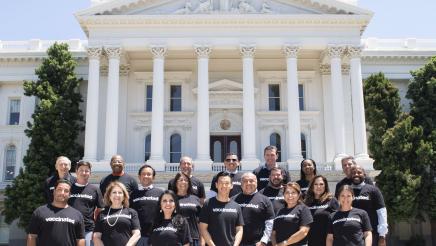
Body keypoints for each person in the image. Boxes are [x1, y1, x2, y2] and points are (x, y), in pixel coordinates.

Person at [28, 179, 85, 246]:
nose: (62, 193)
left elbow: (80, 239)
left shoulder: (77, 215)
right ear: (54, 191)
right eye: (59, 189)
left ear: (69, 195)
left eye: (66, 191)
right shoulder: (40, 212)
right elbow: (32, 236)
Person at [200, 171, 244, 246]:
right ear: (216, 185)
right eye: (221, 183)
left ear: (231, 186)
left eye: (227, 183)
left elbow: (239, 229)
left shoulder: (236, 206)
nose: (224, 186)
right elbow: (203, 229)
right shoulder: (208, 204)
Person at [232, 172, 275, 246]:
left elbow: (270, 222)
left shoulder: (265, 200)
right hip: (236, 243)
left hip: (257, 243)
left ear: (256, 182)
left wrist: (264, 241)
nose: (248, 183)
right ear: (241, 184)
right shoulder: (233, 200)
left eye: (251, 181)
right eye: (245, 181)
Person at [93, 181, 141, 246]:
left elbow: (137, 234)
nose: (117, 195)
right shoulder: (102, 214)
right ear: (109, 196)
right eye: (114, 192)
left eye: (120, 192)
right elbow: (96, 237)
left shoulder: (131, 212)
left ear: (124, 196)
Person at [69, 161, 104, 246]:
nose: (84, 173)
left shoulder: (95, 189)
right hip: (69, 228)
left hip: (88, 230)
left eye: (86, 171)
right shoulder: (69, 188)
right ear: (76, 171)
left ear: (90, 173)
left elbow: (100, 209)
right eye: (81, 170)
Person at [350, 165, 388, 246]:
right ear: (350, 176)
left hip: (372, 234)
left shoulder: (373, 190)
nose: (356, 174)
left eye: (359, 172)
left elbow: (381, 212)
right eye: (353, 173)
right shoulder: (347, 191)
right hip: (353, 235)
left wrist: (382, 236)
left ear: (364, 175)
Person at [130, 164, 164, 246]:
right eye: (143, 174)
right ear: (139, 176)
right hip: (138, 236)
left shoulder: (161, 193)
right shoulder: (133, 194)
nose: (146, 176)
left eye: (149, 174)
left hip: (156, 235)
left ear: (153, 177)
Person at [304, 175, 338, 246]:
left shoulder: (331, 200)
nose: (318, 187)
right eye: (315, 184)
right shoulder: (306, 202)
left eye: (321, 184)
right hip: (310, 242)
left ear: (325, 186)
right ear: (312, 186)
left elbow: (337, 220)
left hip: (327, 241)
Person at [169, 172, 202, 246]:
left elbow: (200, 221)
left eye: (186, 180)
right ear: (176, 183)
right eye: (180, 180)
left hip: (194, 238)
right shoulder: (171, 199)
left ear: (189, 183)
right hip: (176, 238)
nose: (183, 182)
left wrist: (202, 240)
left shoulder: (195, 199)